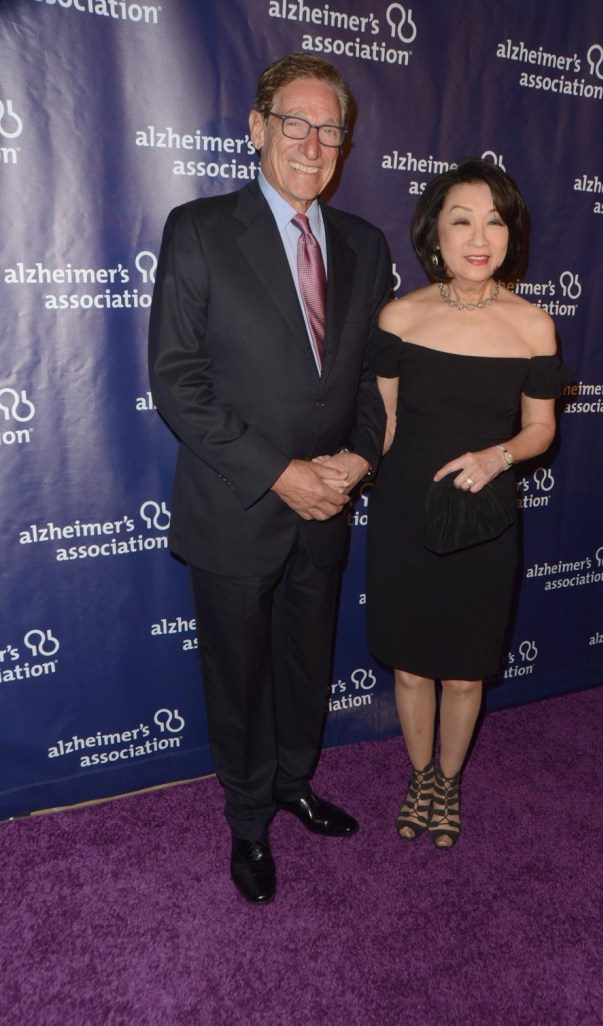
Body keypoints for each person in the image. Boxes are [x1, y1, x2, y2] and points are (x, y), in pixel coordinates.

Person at [148, 53, 391, 904]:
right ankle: (248, 821)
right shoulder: (199, 229)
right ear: (257, 129)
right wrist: (281, 473)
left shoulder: (365, 244)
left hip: (328, 504)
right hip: (237, 505)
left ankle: (294, 782)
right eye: (296, 122)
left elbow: (367, 383)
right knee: (238, 675)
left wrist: (356, 463)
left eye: (330, 129)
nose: (313, 143)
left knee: (304, 661)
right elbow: (177, 379)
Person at [366, 158, 570, 849]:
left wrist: (498, 455)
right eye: (462, 220)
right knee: (411, 664)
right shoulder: (399, 317)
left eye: (494, 220)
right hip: (403, 515)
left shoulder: (533, 327)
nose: (479, 236)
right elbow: (384, 424)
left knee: (462, 671)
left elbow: (541, 428)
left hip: (485, 520)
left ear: (511, 233)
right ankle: (419, 773)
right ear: (435, 235)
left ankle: (448, 783)